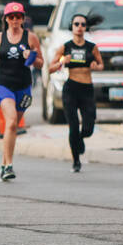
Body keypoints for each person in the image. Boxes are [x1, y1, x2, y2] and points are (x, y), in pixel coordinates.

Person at [0, 2, 43, 182]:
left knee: (13, 127)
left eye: (18, 17)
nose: (15, 20)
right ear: (6, 19)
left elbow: (41, 63)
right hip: (4, 84)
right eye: (11, 17)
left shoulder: (31, 37)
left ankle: (3, 165)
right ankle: (10, 165)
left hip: (24, 86)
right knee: (11, 122)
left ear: (23, 19)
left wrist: (32, 57)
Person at [48, 12, 104, 172]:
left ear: (86, 28)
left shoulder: (92, 47)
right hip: (71, 88)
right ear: (72, 27)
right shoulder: (65, 47)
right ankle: (76, 161)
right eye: (76, 24)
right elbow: (50, 69)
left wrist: (95, 66)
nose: (79, 27)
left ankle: (81, 138)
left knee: (88, 127)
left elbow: (101, 65)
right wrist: (61, 62)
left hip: (87, 89)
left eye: (82, 25)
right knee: (73, 126)